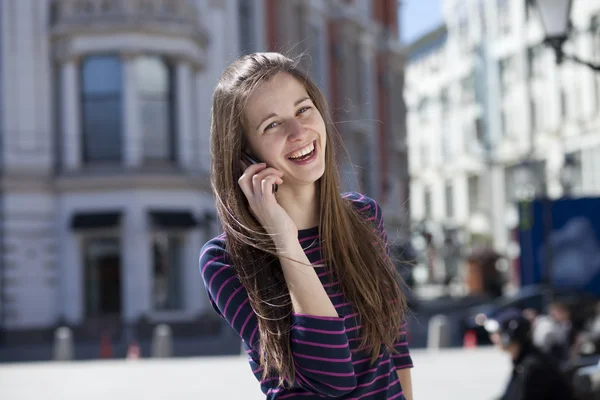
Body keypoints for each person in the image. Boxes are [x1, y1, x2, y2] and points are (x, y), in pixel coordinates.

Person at [199, 52, 414, 399]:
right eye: (272, 125)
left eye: (303, 110)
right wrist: (285, 240)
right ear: (244, 155)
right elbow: (332, 377)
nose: (299, 132)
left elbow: (395, 347)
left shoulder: (364, 217)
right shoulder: (225, 260)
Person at [485, 308, 576, 400]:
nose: (493, 337)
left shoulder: (533, 365)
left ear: (509, 335)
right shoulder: (522, 361)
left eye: (498, 333)